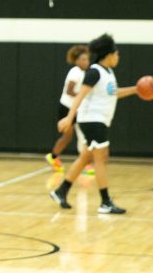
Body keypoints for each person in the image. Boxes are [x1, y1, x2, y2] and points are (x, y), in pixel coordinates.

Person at [49, 33, 138, 215]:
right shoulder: (94, 71)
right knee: (101, 157)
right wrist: (68, 118)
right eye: (117, 53)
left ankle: (61, 191)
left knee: (86, 157)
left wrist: (137, 89)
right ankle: (105, 202)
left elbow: (114, 93)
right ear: (109, 54)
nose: (118, 57)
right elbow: (80, 96)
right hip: (92, 120)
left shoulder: (108, 73)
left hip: (100, 120)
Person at [45, 45, 94, 175]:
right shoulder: (75, 71)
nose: (86, 62)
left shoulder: (86, 73)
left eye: (87, 59)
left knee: (83, 136)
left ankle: (85, 163)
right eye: (83, 59)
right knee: (67, 137)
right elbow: (69, 90)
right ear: (76, 60)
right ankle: (53, 157)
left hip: (78, 109)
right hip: (67, 107)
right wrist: (82, 95)